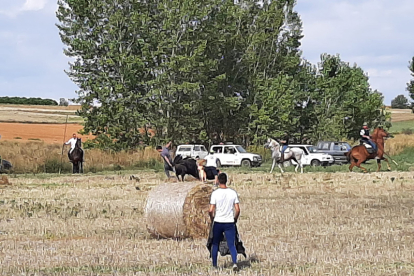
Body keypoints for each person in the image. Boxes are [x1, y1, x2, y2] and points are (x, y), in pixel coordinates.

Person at [208, 173, 240, 272]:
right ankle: (234, 263)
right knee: (231, 244)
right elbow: (238, 209)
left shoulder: (215, 193)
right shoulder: (232, 193)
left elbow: (210, 210)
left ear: (218, 181)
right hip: (229, 222)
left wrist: (212, 218)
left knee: (215, 244)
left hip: (218, 221)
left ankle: (214, 265)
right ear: (226, 180)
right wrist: (235, 219)